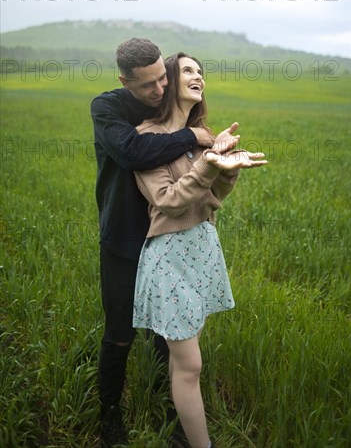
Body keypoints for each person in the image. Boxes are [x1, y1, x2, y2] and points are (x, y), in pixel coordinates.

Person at [91, 38, 242, 447]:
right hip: (126, 236)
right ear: (126, 81)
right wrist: (196, 138)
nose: (158, 90)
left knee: (170, 336)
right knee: (121, 332)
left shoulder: (174, 110)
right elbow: (134, 151)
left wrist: (222, 166)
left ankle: (174, 409)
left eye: (163, 79)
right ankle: (110, 417)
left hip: (179, 239)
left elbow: (206, 198)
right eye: (148, 85)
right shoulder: (110, 109)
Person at [132, 52, 268, 448]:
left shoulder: (203, 136)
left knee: (183, 360)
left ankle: (181, 431)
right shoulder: (147, 138)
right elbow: (168, 200)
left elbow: (209, 199)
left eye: (201, 71)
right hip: (170, 256)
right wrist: (209, 165)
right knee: (191, 364)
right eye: (188, 70)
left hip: (203, 249)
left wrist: (228, 169)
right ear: (169, 80)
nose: (198, 77)